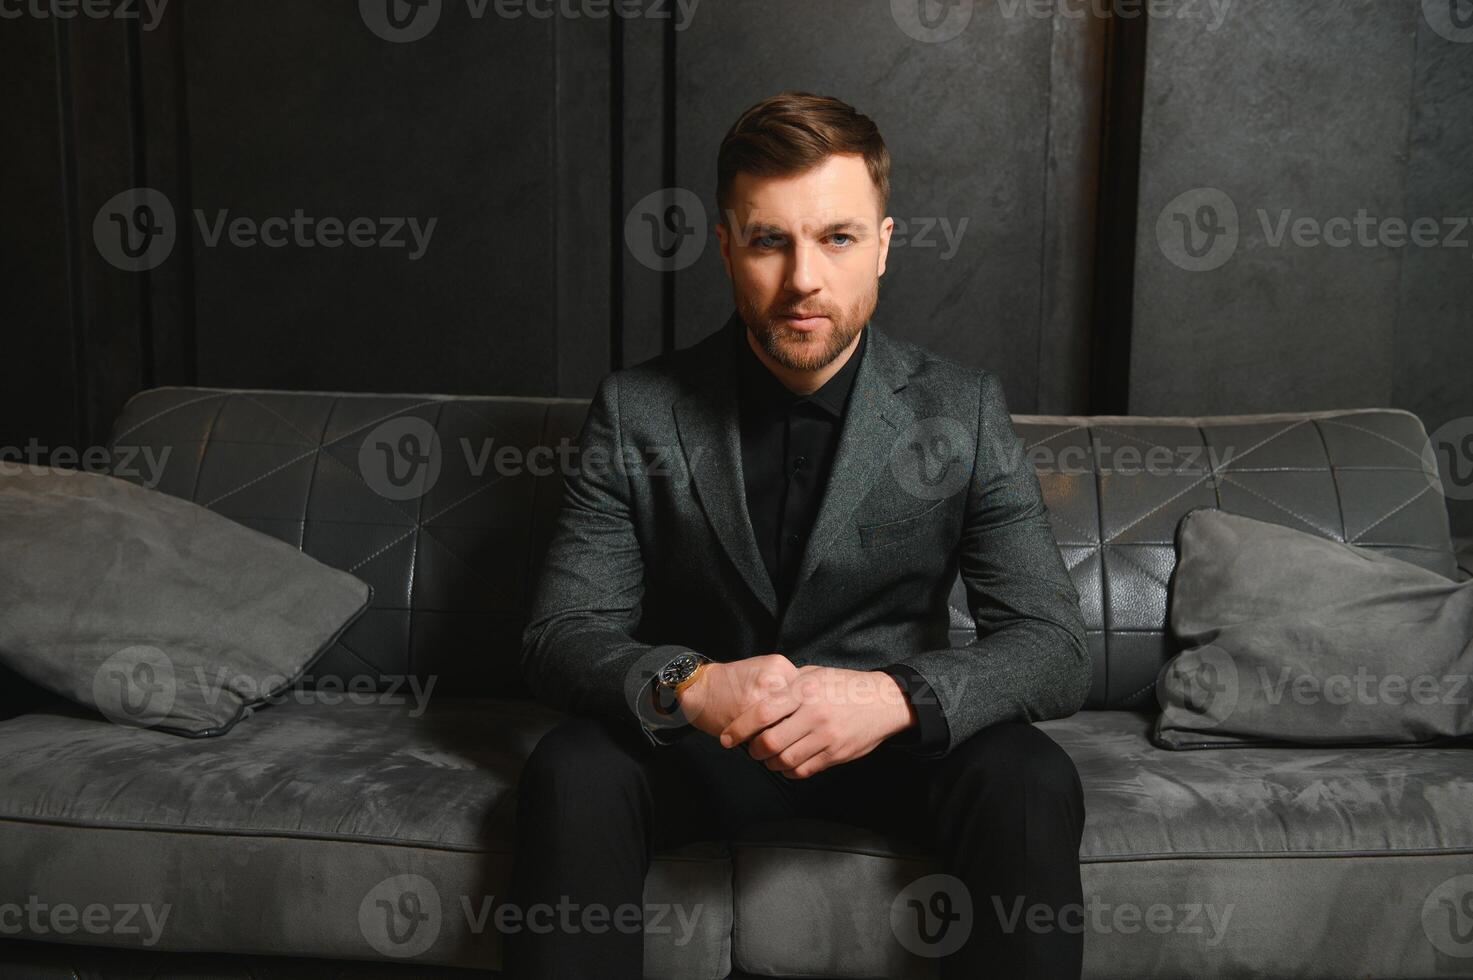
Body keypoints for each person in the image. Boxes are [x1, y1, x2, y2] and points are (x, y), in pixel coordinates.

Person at [508, 89, 1091, 979]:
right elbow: (559, 634)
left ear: (885, 247)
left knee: (1031, 780)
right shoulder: (638, 410)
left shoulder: (961, 409)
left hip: (895, 745)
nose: (803, 280)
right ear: (726, 247)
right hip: (708, 748)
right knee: (571, 769)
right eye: (769, 240)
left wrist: (895, 699)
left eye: (838, 238)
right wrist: (693, 686)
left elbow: (1052, 644)